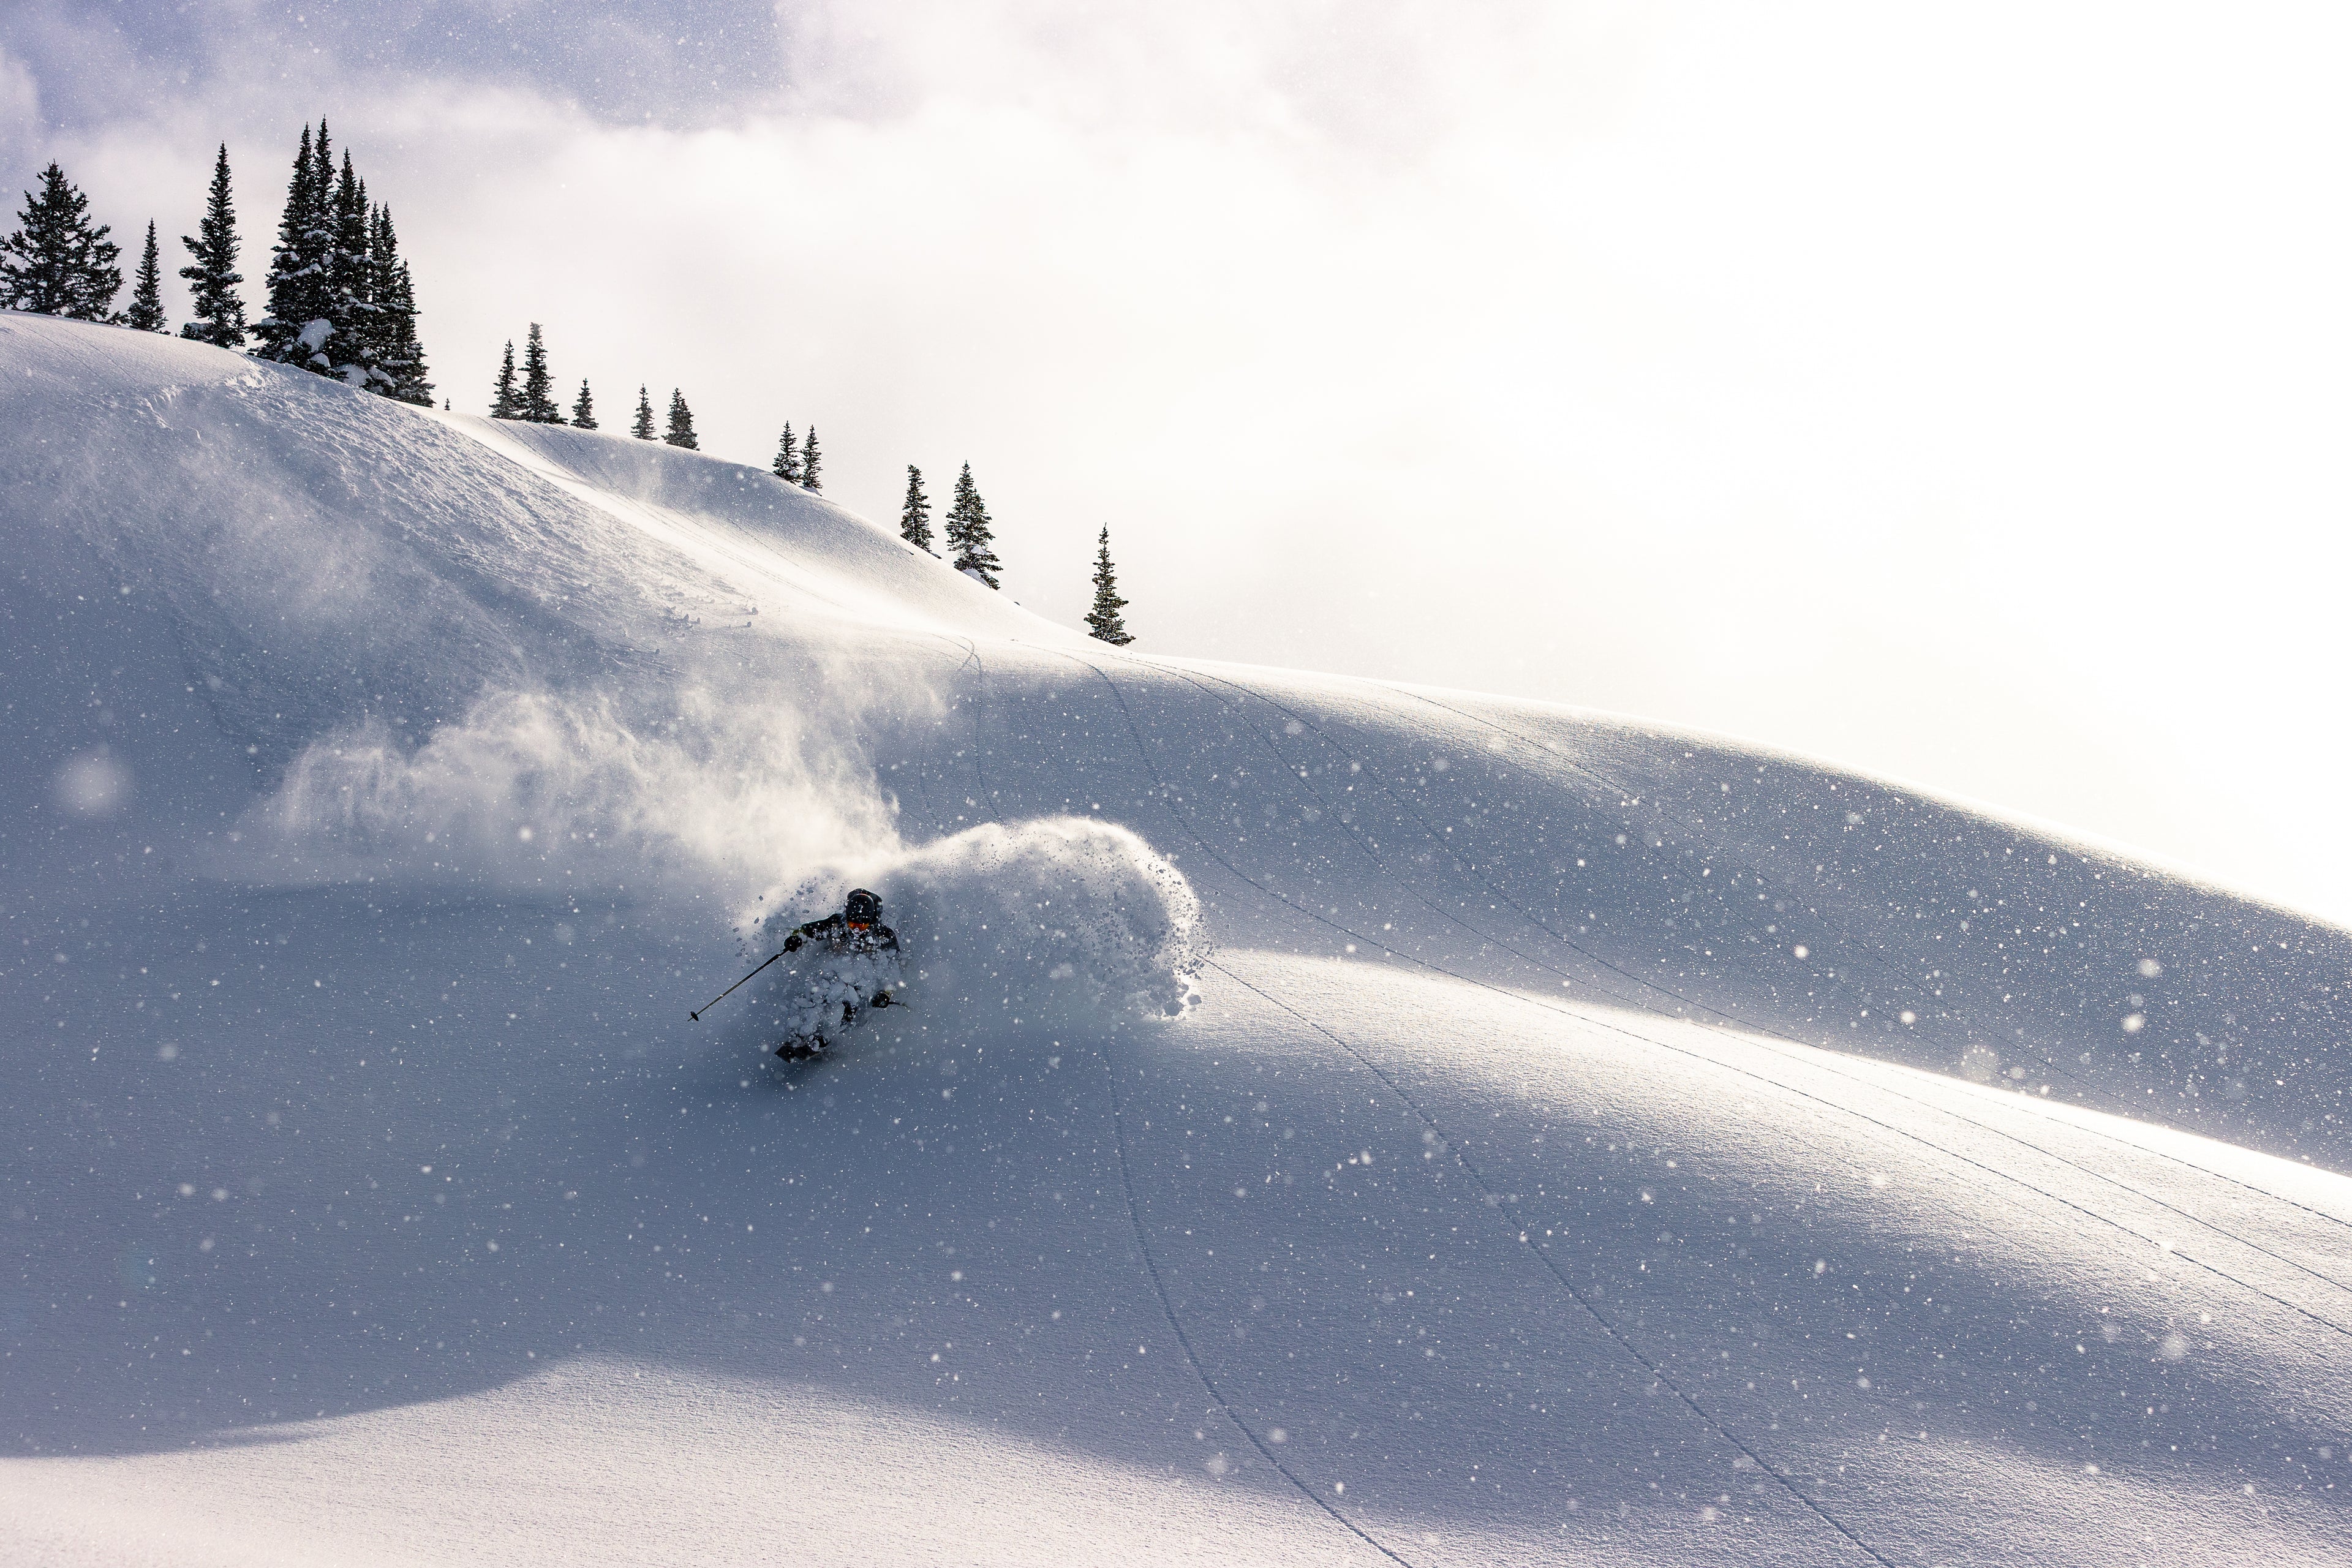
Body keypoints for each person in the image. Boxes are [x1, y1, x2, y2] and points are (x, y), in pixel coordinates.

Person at [769, 888, 904, 1060]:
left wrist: (885, 993)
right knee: (817, 993)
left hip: (861, 980)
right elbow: (809, 931)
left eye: (862, 925)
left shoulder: (883, 935)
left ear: (871, 921)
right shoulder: (837, 923)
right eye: (853, 924)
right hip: (831, 970)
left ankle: (824, 1038)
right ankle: (799, 1034)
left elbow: (895, 967)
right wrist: (797, 939)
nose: (856, 930)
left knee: (848, 1001)